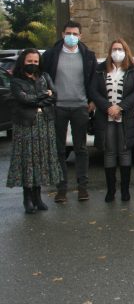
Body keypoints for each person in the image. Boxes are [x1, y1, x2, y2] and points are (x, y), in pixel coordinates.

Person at [41, 20, 97, 203]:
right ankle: (61, 189)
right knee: (59, 150)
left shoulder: (88, 56)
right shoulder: (51, 55)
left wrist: (92, 100)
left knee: (81, 148)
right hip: (58, 107)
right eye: (68, 33)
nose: (71, 37)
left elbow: (94, 81)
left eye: (75, 34)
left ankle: (82, 188)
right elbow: (43, 78)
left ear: (80, 36)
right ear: (62, 34)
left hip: (80, 107)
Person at [6, 49, 61, 214]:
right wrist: (44, 94)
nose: (33, 64)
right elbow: (23, 99)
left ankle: (38, 197)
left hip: (44, 123)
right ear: (23, 61)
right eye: (30, 61)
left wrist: (38, 97)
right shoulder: (16, 80)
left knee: (40, 160)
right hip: (25, 124)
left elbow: (55, 95)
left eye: (35, 61)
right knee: (27, 160)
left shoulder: (45, 76)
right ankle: (27, 199)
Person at [91, 39, 134, 202]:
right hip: (105, 117)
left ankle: (125, 190)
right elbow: (93, 91)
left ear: (126, 51)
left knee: (125, 151)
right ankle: (111, 190)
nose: (117, 52)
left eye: (120, 49)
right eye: (114, 49)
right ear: (110, 51)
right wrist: (108, 107)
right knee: (109, 152)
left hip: (125, 116)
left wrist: (120, 107)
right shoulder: (100, 69)